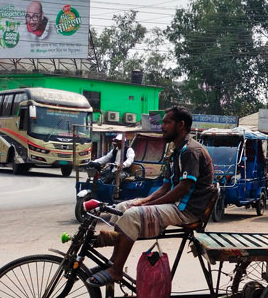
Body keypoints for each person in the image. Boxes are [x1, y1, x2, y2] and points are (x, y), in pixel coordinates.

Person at [87, 106, 214, 287]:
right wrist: (144, 201)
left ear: (181, 125)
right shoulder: (176, 151)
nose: (162, 126)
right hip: (177, 205)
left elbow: (183, 188)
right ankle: (113, 261)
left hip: (187, 210)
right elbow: (167, 185)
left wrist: (144, 207)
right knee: (121, 208)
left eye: (167, 122)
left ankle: (116, 270)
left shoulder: (191, 151)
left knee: (132, 215)